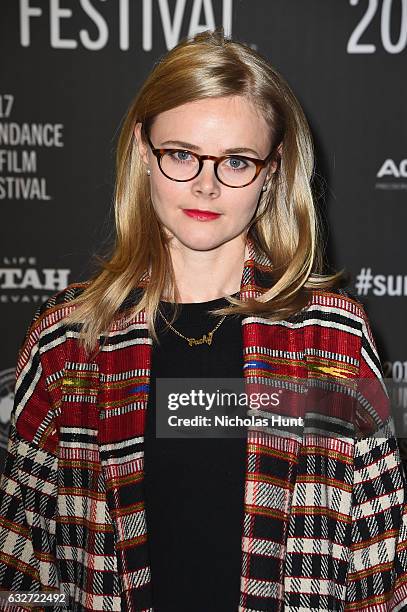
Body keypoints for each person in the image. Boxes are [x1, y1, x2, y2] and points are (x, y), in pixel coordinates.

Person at [0, 28, 406, 612]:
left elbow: (381, 565)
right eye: (182, 154)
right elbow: (22, 565)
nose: (205, 185)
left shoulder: (331, 339)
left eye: (237, 161)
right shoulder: (69, 340)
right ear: (143, 152)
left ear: (272, 172)